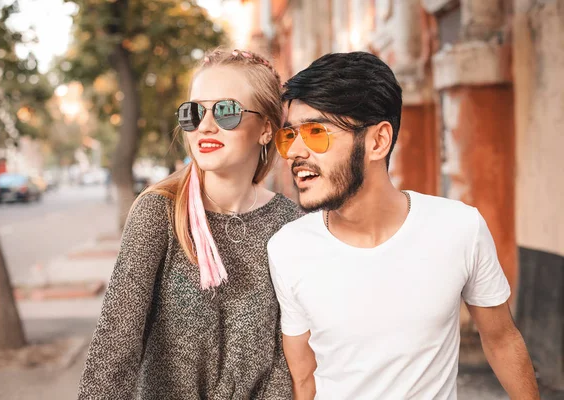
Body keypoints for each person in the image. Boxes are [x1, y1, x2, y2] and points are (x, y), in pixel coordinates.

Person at [267, 52, 539, 399]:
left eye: (316, 131)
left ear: (378, 141)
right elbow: (303, 378)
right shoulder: (288, 248)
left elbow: (501, 339)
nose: (293, 152)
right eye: (290, 135)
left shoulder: (458, 227)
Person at [78, 49, 302, 399]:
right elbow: (115, 349)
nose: (206, 125)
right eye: (194, 112)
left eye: (226, 111)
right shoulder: (159, 212)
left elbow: (286, 359)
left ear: (266, 128)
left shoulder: (290, 224)